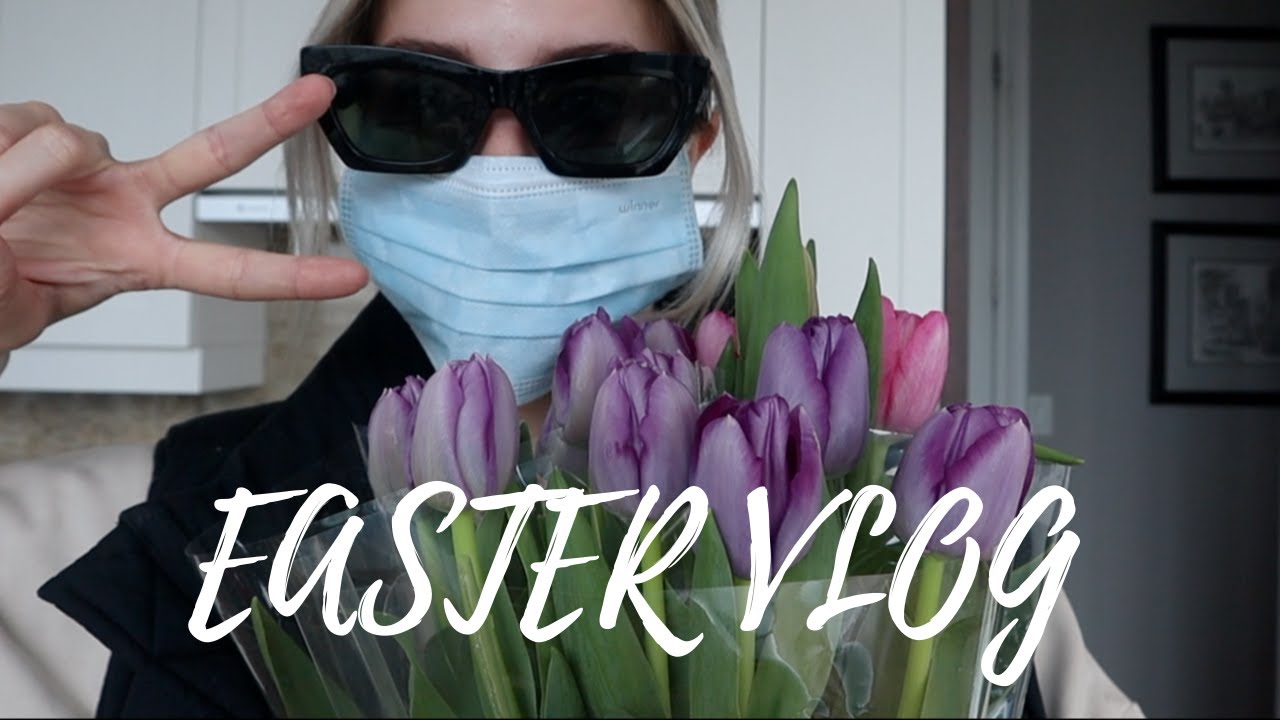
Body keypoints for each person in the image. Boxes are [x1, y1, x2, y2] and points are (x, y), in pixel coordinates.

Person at [0, 1, 1142, 717]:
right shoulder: (94, 540)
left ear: (692, 136)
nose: (502, 172)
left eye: (595, 104)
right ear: (340, 133)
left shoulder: (927, 563)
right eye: (415, 101)